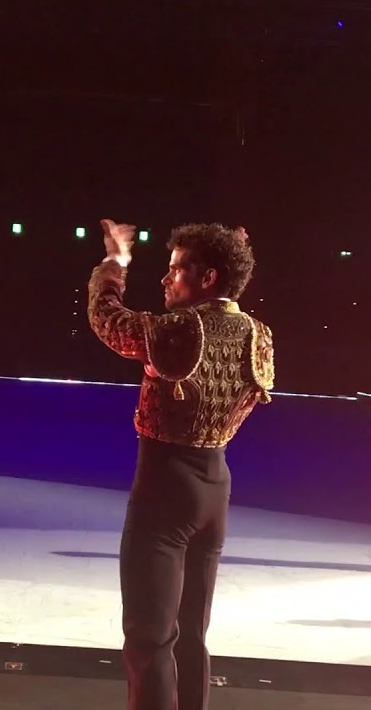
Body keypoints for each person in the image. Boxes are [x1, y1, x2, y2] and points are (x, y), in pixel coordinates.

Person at [86, 219, 275, 710]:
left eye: (176, 270)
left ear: (208, 278)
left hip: (165, 489)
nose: (166, 280)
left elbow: (107, 319)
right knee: (191, 635)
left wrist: (114, 265)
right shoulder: (259, 334)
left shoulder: (181, 330)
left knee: (150, 641)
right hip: (216, 487)